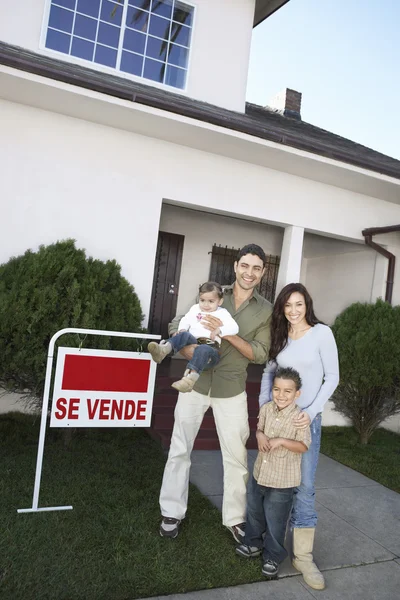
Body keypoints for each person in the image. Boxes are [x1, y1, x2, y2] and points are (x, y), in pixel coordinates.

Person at [159, 244, 272, 541]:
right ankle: (171, 512)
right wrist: (188, 349)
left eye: (256, 268)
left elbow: (260, 353)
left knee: (236, 456)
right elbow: (176, 324)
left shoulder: (265, 310)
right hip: (194, 383)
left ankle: (235, 519)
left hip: (231, 389)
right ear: (235, 266)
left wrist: (227, 334)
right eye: (245, 265)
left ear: (263, 273)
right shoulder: (210, 293)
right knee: (180, 447)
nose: (250, 273)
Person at [259, 282, 339, 590]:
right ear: (281, 308)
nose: (293, 311)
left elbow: (332, 376)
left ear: (307, 305)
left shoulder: (322, 334)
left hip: (305, 422)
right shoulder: (279, 337)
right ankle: (271, 542)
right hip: (276, 422)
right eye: (287, 305)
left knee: (303, 487)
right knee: (274, 484)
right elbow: (269, 373)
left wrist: (313, 410)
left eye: (299, 305)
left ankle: (303, 556)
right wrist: (264, 410)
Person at [236, 366, 310, 578]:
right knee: (254, 511)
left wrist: (282, 441)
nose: (281, 395)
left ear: (297, 393)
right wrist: (259, 435)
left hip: (282, 480)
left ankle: (272, 556)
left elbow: (303, 446)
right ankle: (252, 544)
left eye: (288, 391)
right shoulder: (267, 408)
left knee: (276, 519)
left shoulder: (299, 417)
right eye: (277, 389)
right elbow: (260, 428)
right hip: (261, 472)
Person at [148, 282, 239, 393]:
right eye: (202, 300)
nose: (205, 305)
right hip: (193, 340)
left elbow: (234, 327)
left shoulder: (223, 313)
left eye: (211, 301)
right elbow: (185, 320)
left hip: (211, 348)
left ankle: (189, 380)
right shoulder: (195, 309)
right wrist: (182, 329)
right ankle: (164, 349)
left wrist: (220, 330)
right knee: (184, 334)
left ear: (220, 301)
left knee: (203, 349)